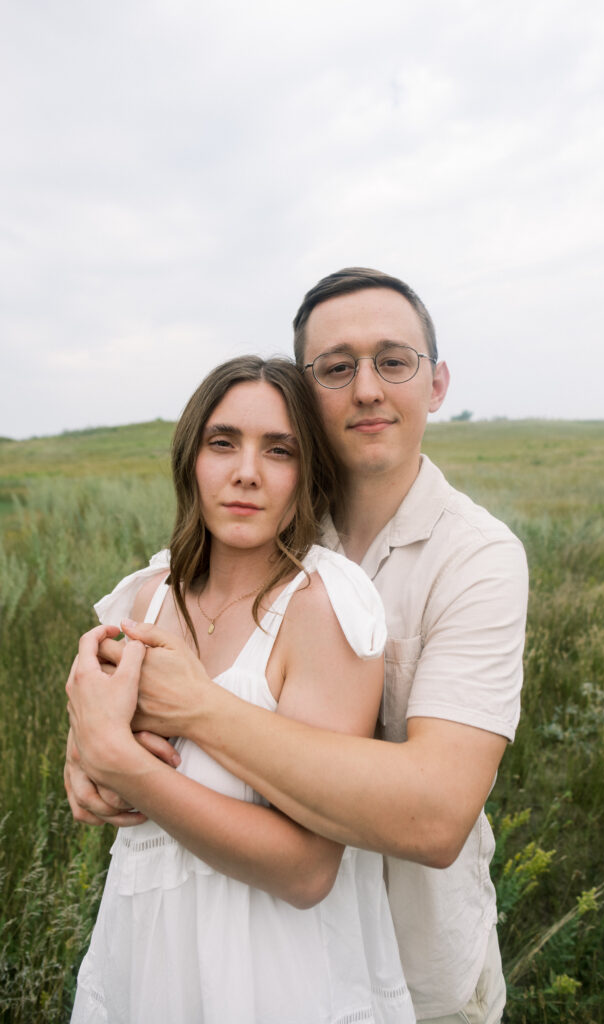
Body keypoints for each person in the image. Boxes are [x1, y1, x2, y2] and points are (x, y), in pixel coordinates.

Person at [66, 269, 528, 1023]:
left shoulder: (476, 557)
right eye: (337, 367)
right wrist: (86, 747)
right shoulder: (253, 532)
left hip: (411, 959)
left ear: (437, 383)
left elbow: (437, 816)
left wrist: (191, 712)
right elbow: (130, 679)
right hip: (190, 953)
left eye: (394, 360)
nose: (368, 388)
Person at [66, 355, 416, 1024]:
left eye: (278, 450)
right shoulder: (144, 599)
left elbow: (306, 871)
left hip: (273, 975)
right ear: (190, 458)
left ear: (307, 475)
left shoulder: (320, 608)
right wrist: (85, 766)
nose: (245, 472)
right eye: (222, 442)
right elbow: (100, 759)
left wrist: (124, 767)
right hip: (147, 955)